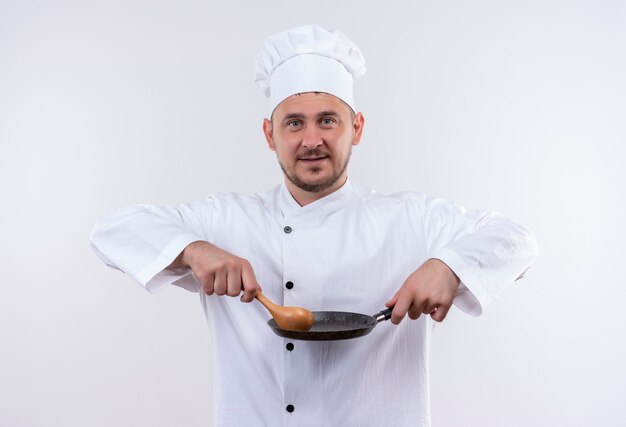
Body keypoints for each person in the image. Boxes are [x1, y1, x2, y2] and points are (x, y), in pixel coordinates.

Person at [90, 24, 538, 427]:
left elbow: (516, 240)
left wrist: (448, 265)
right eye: (294, 123)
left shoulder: (412, 221)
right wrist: (193, 250)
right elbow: (110, 230)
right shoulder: (224, 220)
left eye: (328, 120)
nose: (311, 140)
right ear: (270, 135)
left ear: (356, 128)